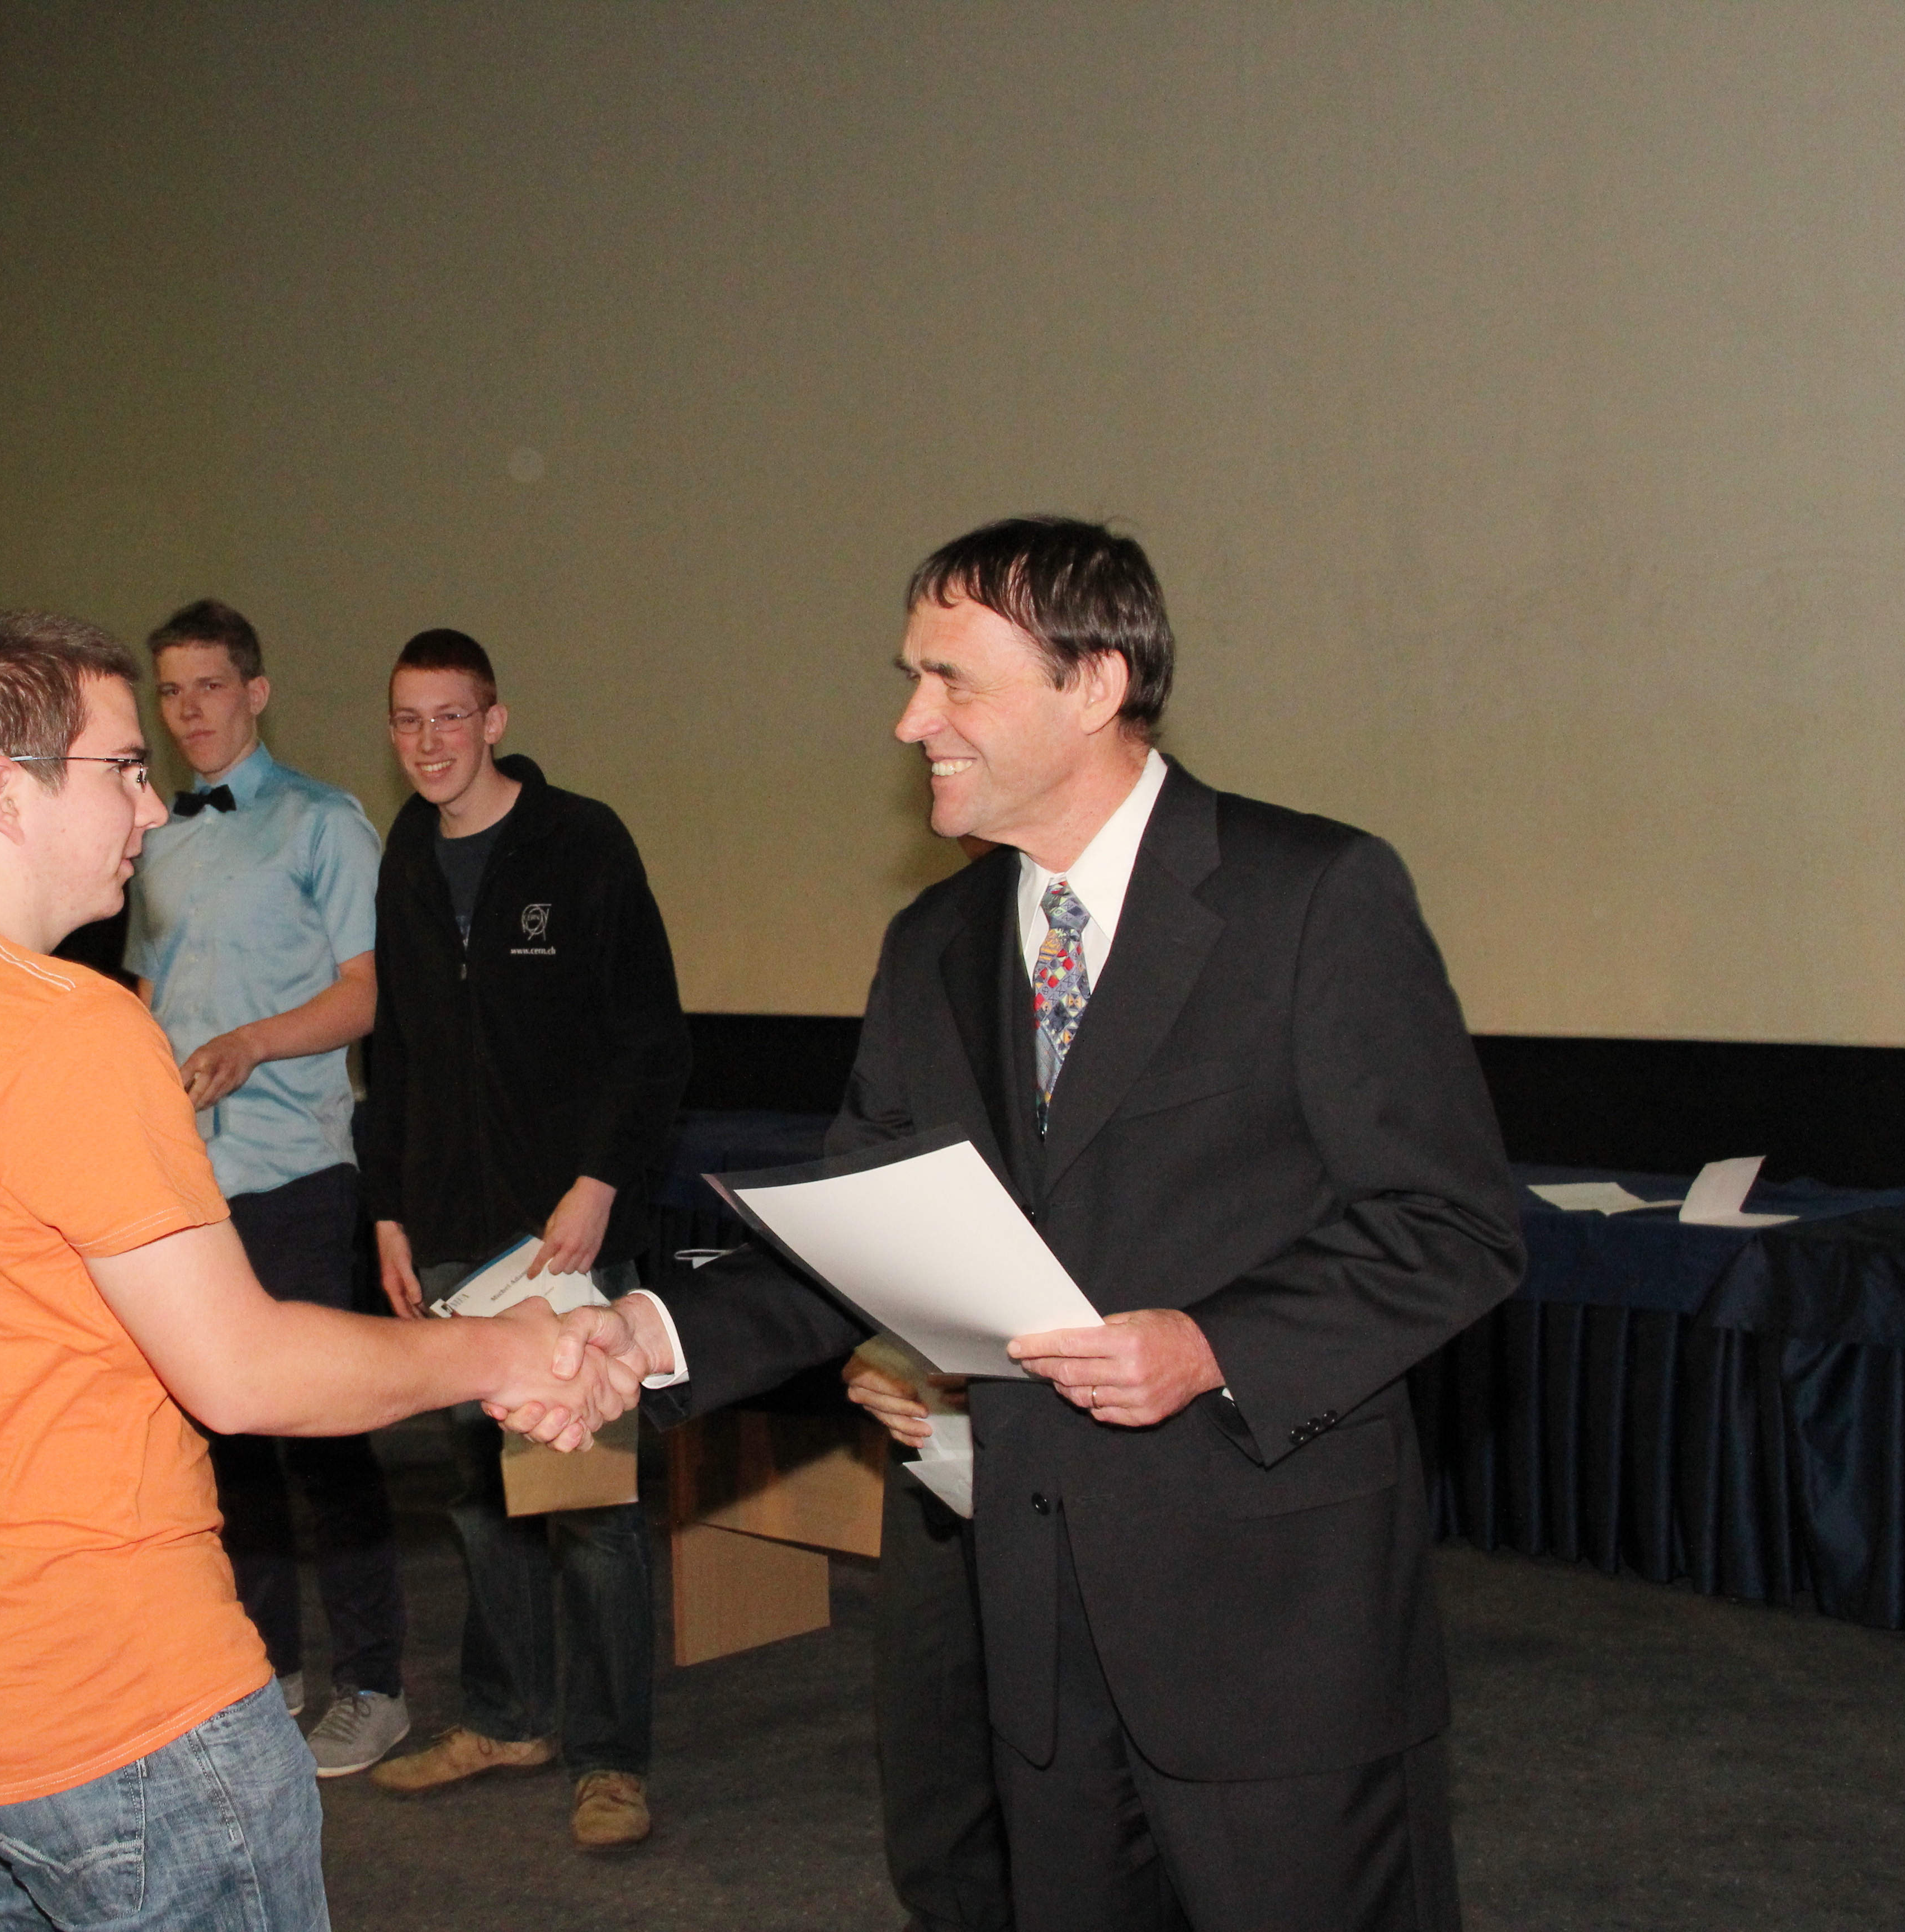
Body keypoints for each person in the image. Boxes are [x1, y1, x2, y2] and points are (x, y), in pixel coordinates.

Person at [568, 517, 1524, 1930]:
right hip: (1034, 1629)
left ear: (1094, 684)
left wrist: (1212, 1345)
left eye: (951, 680)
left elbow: (1453, 1226)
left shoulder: (1312, 893)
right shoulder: (931, 945)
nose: (910, 721)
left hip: (1274, 1627)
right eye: (911, 678)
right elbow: (855, 1239)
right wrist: (645, 1330)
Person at [0, 607, 633, 1932]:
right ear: (6, 793)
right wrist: (517, 1347)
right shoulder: (71, 1028)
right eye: (120, 767)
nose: (151, 806)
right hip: (129, 1716)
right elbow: (243, 1369)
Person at [361, 628, 692, 1850]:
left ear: (494, 721)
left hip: (565, 1234)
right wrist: (387, 1208)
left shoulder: (581, 842)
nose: (429, 742)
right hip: (448, 1230)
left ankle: (610, 1760)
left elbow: (650, 1039)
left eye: (451, 716)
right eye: (408, 721)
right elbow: (395, 1051)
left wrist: (599, 1184)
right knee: (477, 1491)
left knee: (587, 1501)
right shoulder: (405, 856)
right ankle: (507, 1717)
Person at [122, 598, 408, 1776]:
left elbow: (368, 993)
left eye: (208, 686)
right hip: (190, 1178)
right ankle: (264, 1665)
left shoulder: (322, 822)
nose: (188, 710)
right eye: (171, 691)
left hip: (294, 1165)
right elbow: (148, 1001)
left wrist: (254, 1043)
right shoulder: (157, 835)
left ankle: (375, 1683)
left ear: (256, 692)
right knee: (221, 1438)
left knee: (320, 1435)